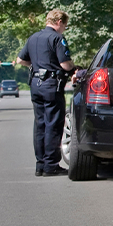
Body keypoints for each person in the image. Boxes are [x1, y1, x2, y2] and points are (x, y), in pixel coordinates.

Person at [15, 10, 76, 177]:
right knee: (53, 124)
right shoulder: (57, 38)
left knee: (40, 124)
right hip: (51, 85)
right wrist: (74, 69)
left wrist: (36, 64)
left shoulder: (33, 37)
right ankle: (51, 165)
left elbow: (20, 60)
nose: (64, 28)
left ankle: (40, 164)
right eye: (65, 25)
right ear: (59, 22)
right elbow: (65, 64)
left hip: (35, 84)